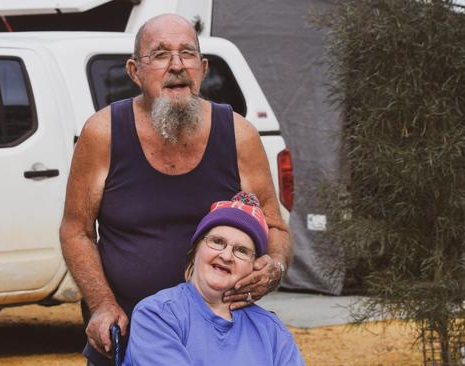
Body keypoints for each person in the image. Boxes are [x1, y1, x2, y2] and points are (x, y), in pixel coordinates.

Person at [59, 13, 292, 366]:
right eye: (161, 54)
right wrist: (102, 303)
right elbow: (75, 231)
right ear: (135, 71)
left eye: (187, 53)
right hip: (125, 333)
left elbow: (274, 225)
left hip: (216, 342)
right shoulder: (103, 133)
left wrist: (273, 265)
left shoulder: (238, 135)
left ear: (203, 67)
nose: (177, 65)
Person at [123, 192, 305, 366]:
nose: (226, 256)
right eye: (217, 241)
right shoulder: (157, 315)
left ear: (255, 266)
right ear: (196, 251)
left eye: (241, 250)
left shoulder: (271, 330)